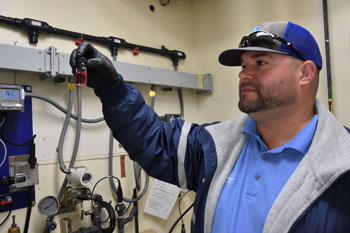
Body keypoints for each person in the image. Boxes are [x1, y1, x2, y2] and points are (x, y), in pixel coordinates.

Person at [70, 21, 350, 233]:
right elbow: (156, 141)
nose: (243, 74)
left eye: (261, 63)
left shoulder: (341, 166)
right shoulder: (217, 145)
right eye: (243, 65)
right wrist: (112, 88)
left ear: (305, 74)